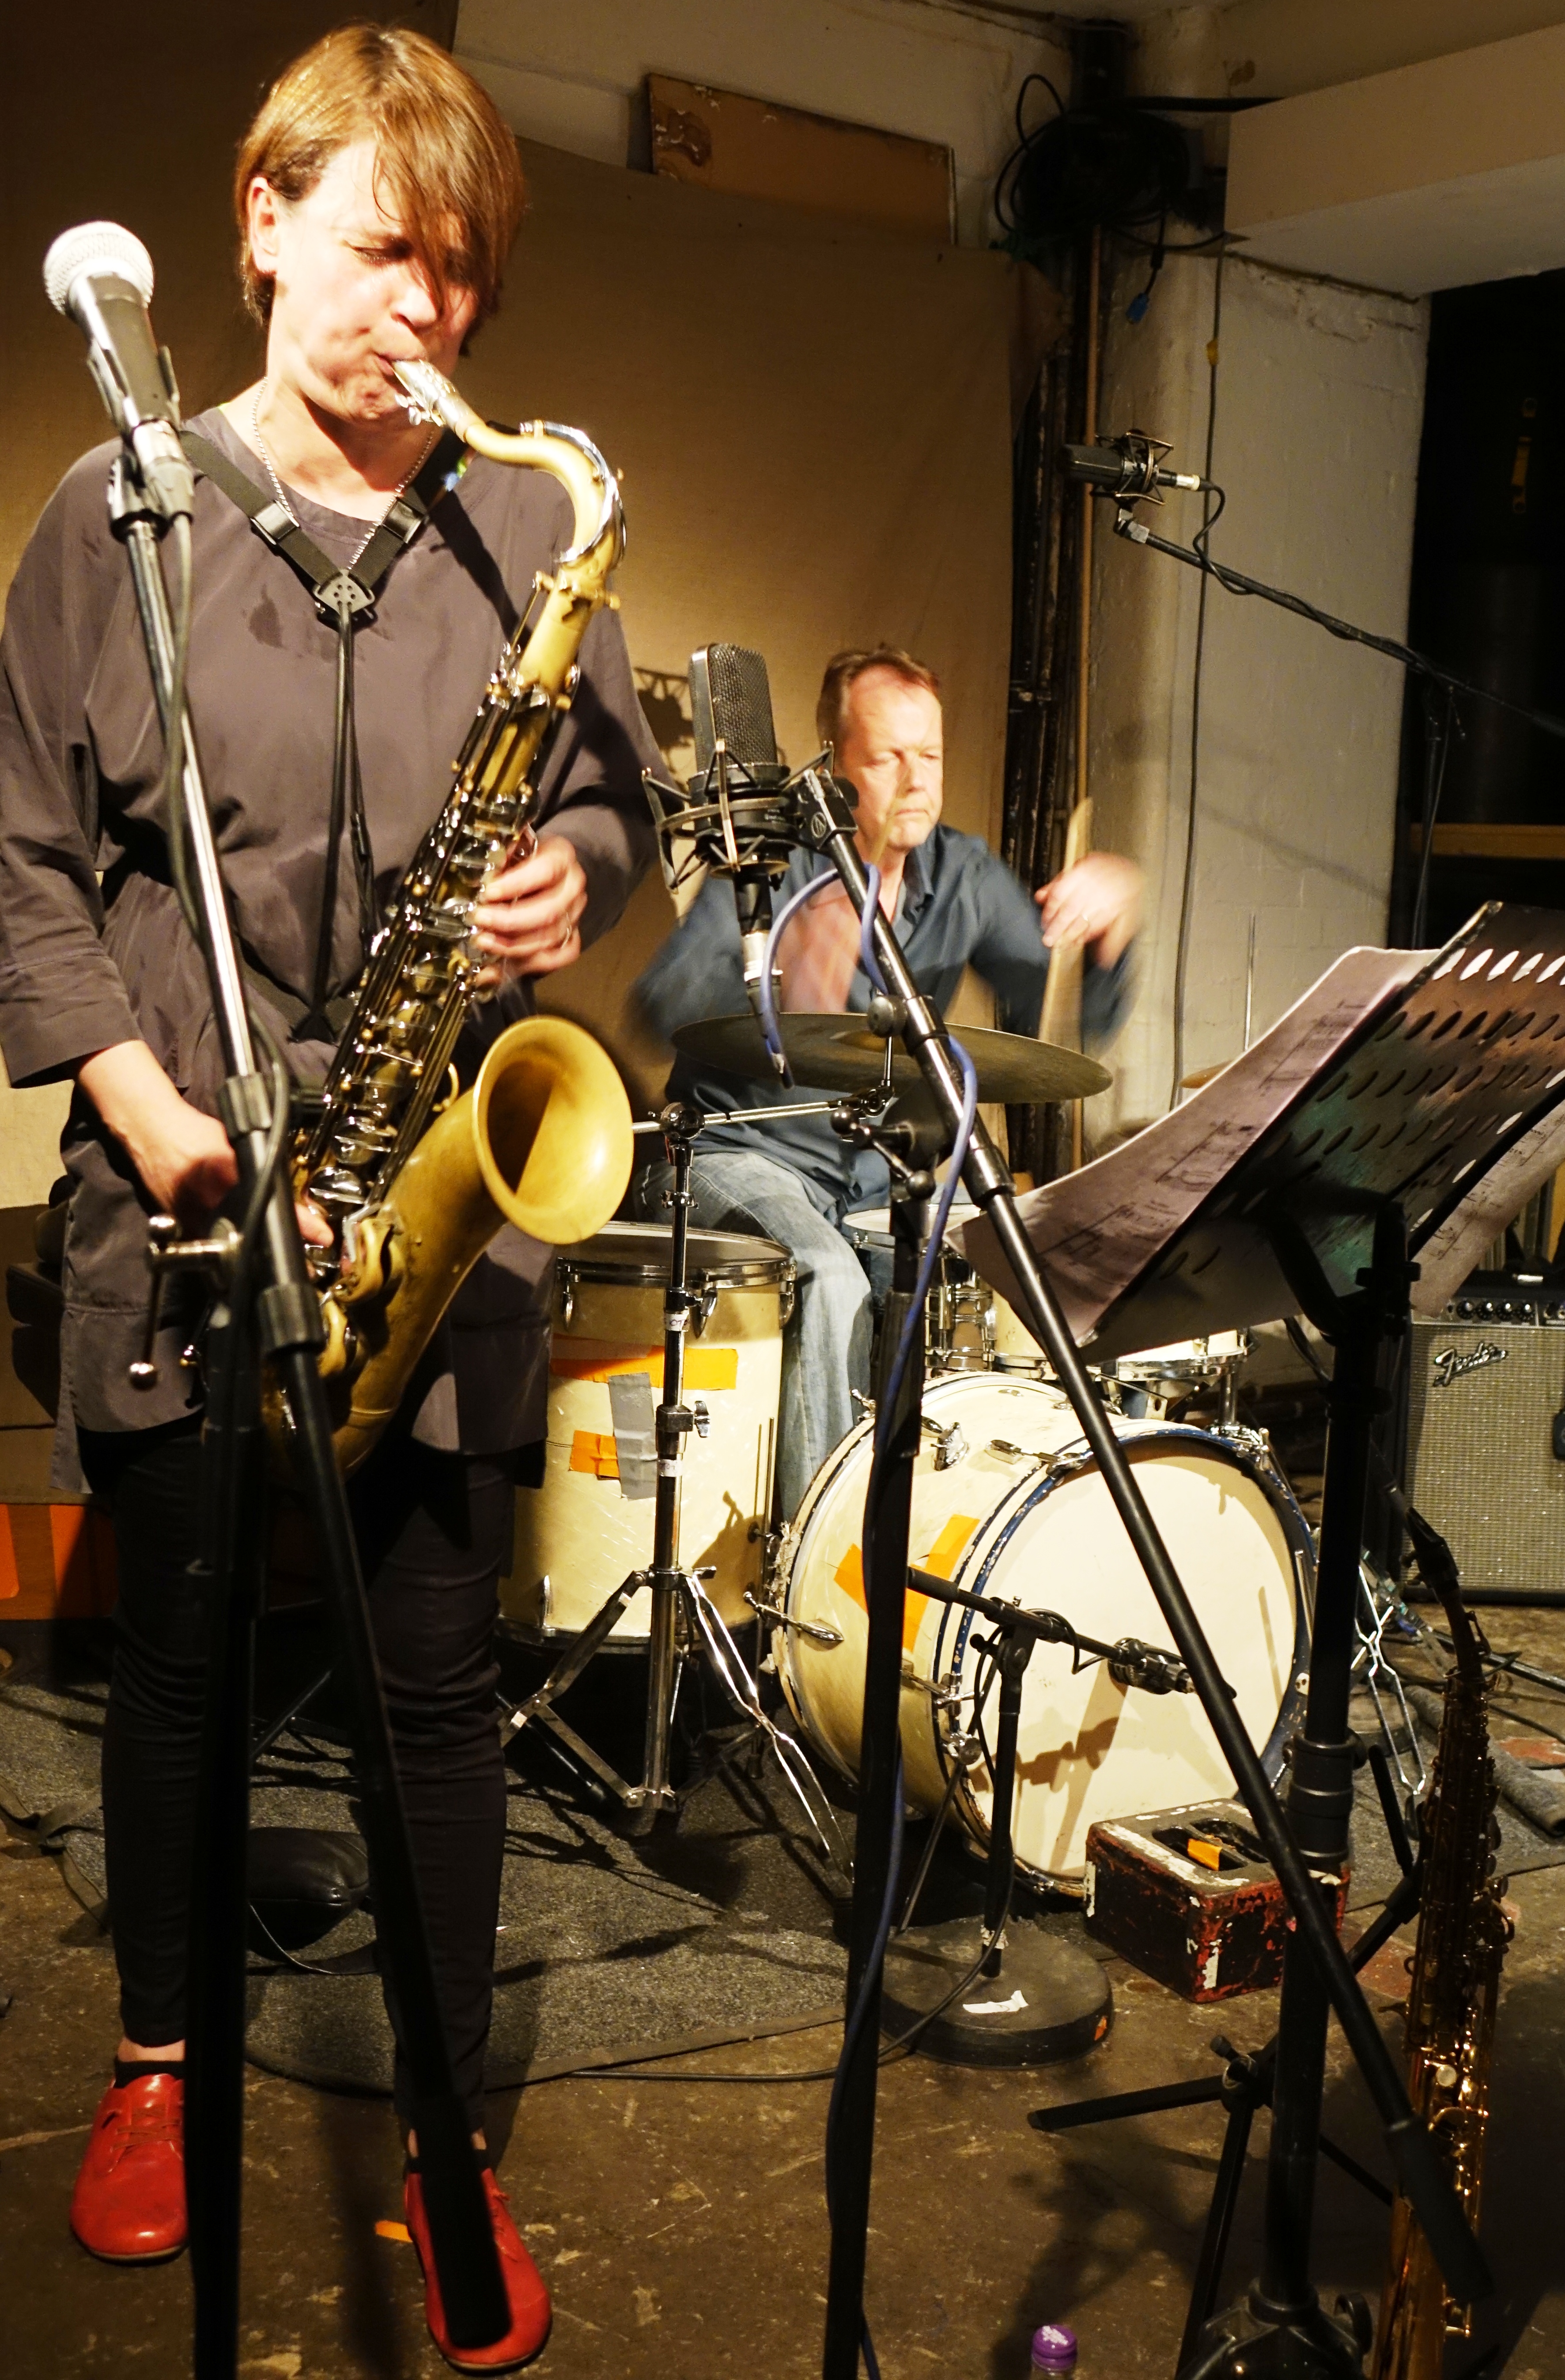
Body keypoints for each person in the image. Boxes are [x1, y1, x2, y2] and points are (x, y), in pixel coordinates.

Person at [0, 28, 658, 2371]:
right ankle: (158, 2053)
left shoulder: (509, 525)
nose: (431, 313)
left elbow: (621, 810)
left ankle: (449, 2121)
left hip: (427, 1193)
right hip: (188, 1179)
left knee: (437, 1680)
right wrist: (157, 1116)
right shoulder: (116, 518)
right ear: (261, 220)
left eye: (464, 273)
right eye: (391, 247)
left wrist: (578, 865)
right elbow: (26, 871)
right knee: (175, 1661)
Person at [633, 645, 1139, 1521]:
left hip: (875, 1180)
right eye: (885, 757)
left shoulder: (963, 876)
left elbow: (1063, 1021)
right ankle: (811, 1580)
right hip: (735, 1154)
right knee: (831, 1279)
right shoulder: (773, 860)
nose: (914, 780)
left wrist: (1112, 926)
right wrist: (778, 968)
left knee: (967, 1289)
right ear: (834, 763)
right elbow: (657, 1004)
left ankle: (928, 1556)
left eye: (930, 755)